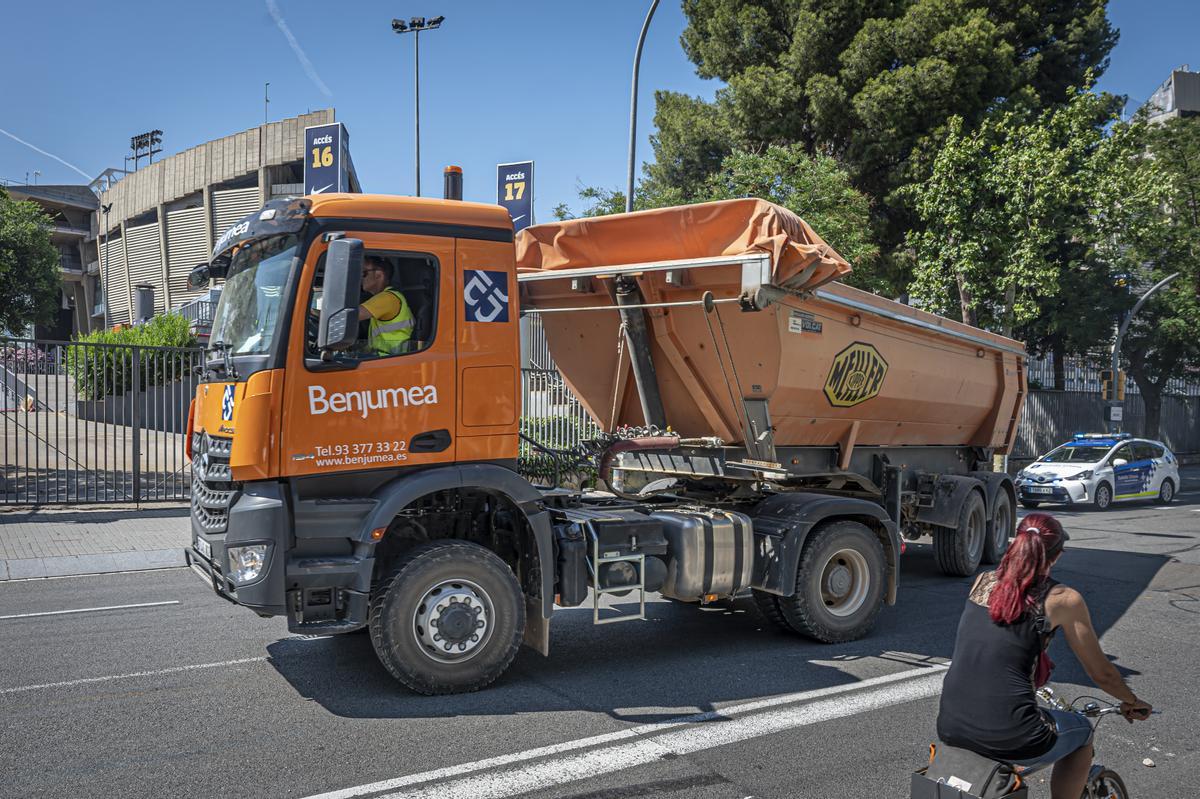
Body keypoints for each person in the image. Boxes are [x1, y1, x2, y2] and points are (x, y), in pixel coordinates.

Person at [936, 512, 1152, 798]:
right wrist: (1131, 701)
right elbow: (1103, 674)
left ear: (1016, 544)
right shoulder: (1063, 599)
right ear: (1058, 555)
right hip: (1012, 732)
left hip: (950, 724)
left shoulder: (983, 583)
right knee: (1082, 734)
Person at [358, 256, 415, 355]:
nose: (360, 277)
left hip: (390, 361)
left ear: (379, 275)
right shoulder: (387, 297)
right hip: (387, 359)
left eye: (364, 273)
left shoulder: (387, 298)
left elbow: (349, 316)